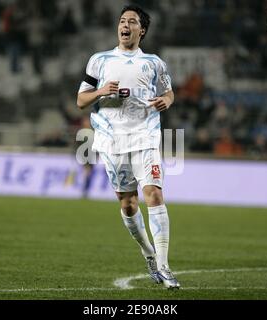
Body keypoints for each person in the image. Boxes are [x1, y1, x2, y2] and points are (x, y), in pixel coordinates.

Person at [76, 5, 180, 289]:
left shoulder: (155, 63)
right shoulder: (99, 60)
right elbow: (81, 101)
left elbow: (168, 91)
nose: (125, 25)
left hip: (146, 137)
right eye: (122, 20)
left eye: (132, 21)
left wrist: (167, 101)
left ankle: (164, 265)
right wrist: (101, 91)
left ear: (141, 30)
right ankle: (148, 252)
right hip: (112, 141)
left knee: (154, 194)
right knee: (128, 203)